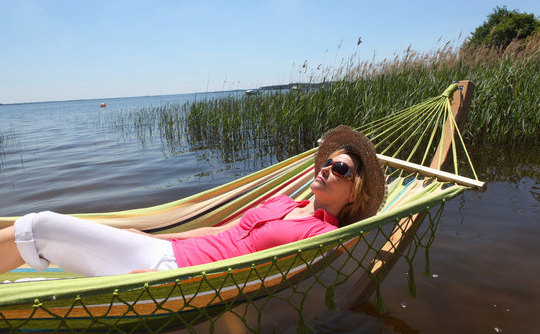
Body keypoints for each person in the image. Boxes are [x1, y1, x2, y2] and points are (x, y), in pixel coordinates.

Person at [0, 126, 386, 277]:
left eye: (342, 169)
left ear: (357, 192)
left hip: (175, 272)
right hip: (168, 251)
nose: (327, 169)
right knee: (34, 230)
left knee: (39, 227)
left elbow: (343, 244)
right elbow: (221, 230)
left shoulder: (323, 232)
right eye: (328, 163)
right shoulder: (283, 200)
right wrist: (158, 238)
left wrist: (167, 277)